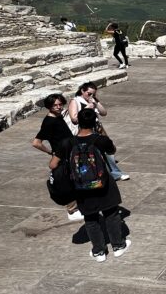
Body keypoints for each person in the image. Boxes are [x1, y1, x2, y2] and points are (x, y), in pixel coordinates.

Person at [50, 108, 129, 262]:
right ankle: (118, 246)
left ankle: (99, 251)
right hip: (103, 184)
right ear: (95, 122)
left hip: (80, 187)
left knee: (91, 218)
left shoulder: (67, 143)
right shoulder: (100, 140)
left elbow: (53, 165)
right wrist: (101, 132)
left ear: (78, 122)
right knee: (111, 214)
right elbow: (112, 150)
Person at [32, 93, 82, 222]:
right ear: (49, 106)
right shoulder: (49, 122)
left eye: (60, 104)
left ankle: (78, 206)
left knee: (74, 180)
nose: (59, 107)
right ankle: (72, 210)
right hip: (61, 157)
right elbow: (36, 142)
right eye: (55, 105)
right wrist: (50, 152)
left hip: (69, 154)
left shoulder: (58, 117)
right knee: (66, 182)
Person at [67, 82, 129, 181]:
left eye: (93, 94)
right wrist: (87, 108)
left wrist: (96, 103)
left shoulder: (93, 101)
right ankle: (105, 174)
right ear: (82, 91)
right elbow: (74, 118)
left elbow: (104, 113)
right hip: (83, 131)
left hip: (97, 129)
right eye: (89, 93)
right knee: (90, 153)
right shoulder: (75, 101)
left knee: (108, 150)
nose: (91, 96)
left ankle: (114, 172)